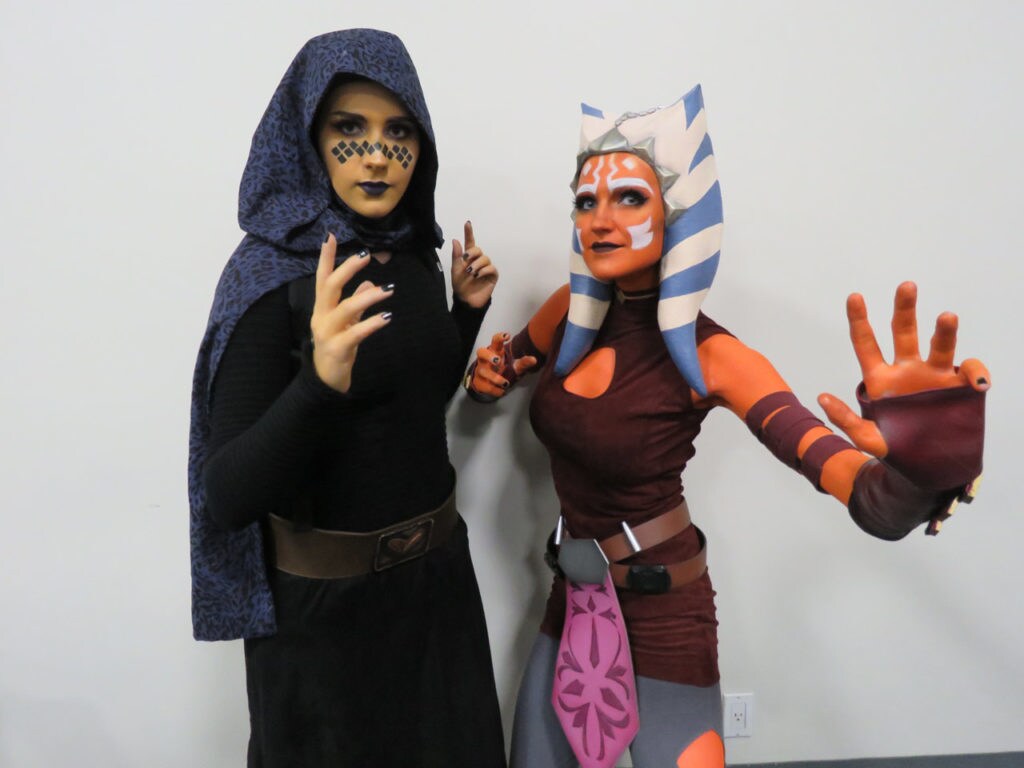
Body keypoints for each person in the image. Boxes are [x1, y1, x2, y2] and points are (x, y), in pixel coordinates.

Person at [466, 86, 988, 768]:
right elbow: (504, 371)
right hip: (574, 599)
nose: (599, 218)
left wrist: (921, 466)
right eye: (586, 200)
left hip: (664, 613)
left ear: (677, 213)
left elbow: (866, 497)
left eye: (628, 198)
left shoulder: (715, 357)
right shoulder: (569, 313)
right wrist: (490, 375)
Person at [187, 29, 506, 767]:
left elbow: (410, 404)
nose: (374, 154)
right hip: (324, 630)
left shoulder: (412, 253)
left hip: (436, 595)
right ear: (305, 137)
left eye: (398, 132)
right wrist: (317, 385)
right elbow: (226, 494)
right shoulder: (271, 277)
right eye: (348, 128)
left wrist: (465, 313)